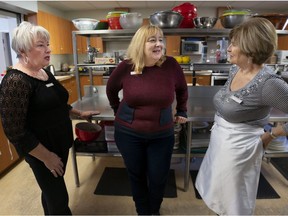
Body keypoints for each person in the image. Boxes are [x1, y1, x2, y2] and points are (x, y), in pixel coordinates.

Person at [0, 21, 100, 215]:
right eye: (41, 45)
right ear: (23, 50)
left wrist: (79, 114)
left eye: (48, 44)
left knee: (51, 194)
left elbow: (58, 104)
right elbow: (15, 131)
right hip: (41, 152)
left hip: (58, 144)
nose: (49, 49)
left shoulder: (43, 72)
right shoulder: (15, 81)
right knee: (59, 200)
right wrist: (47, 158)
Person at [195, 17, 288, 215]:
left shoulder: (269, 84)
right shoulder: (235, 69)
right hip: (220, 143)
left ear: (251, 46)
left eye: (234, 43)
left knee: (234, 202)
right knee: (218, 194)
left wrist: (272, 134)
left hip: (240, 150)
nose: (228, 48)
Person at [106, 25, 188, 215]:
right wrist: (117, 110)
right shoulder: (127, 66)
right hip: (128, 134)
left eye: (161, 39)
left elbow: (182, 90)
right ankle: (143, 211)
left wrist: (182, 109)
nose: (159, 44)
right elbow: (111, 89)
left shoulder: (171, 65)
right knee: (137, 175)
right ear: (140, 44)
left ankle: (154, 209)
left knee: (159, 176)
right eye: (152, 40)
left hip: (161, 134)